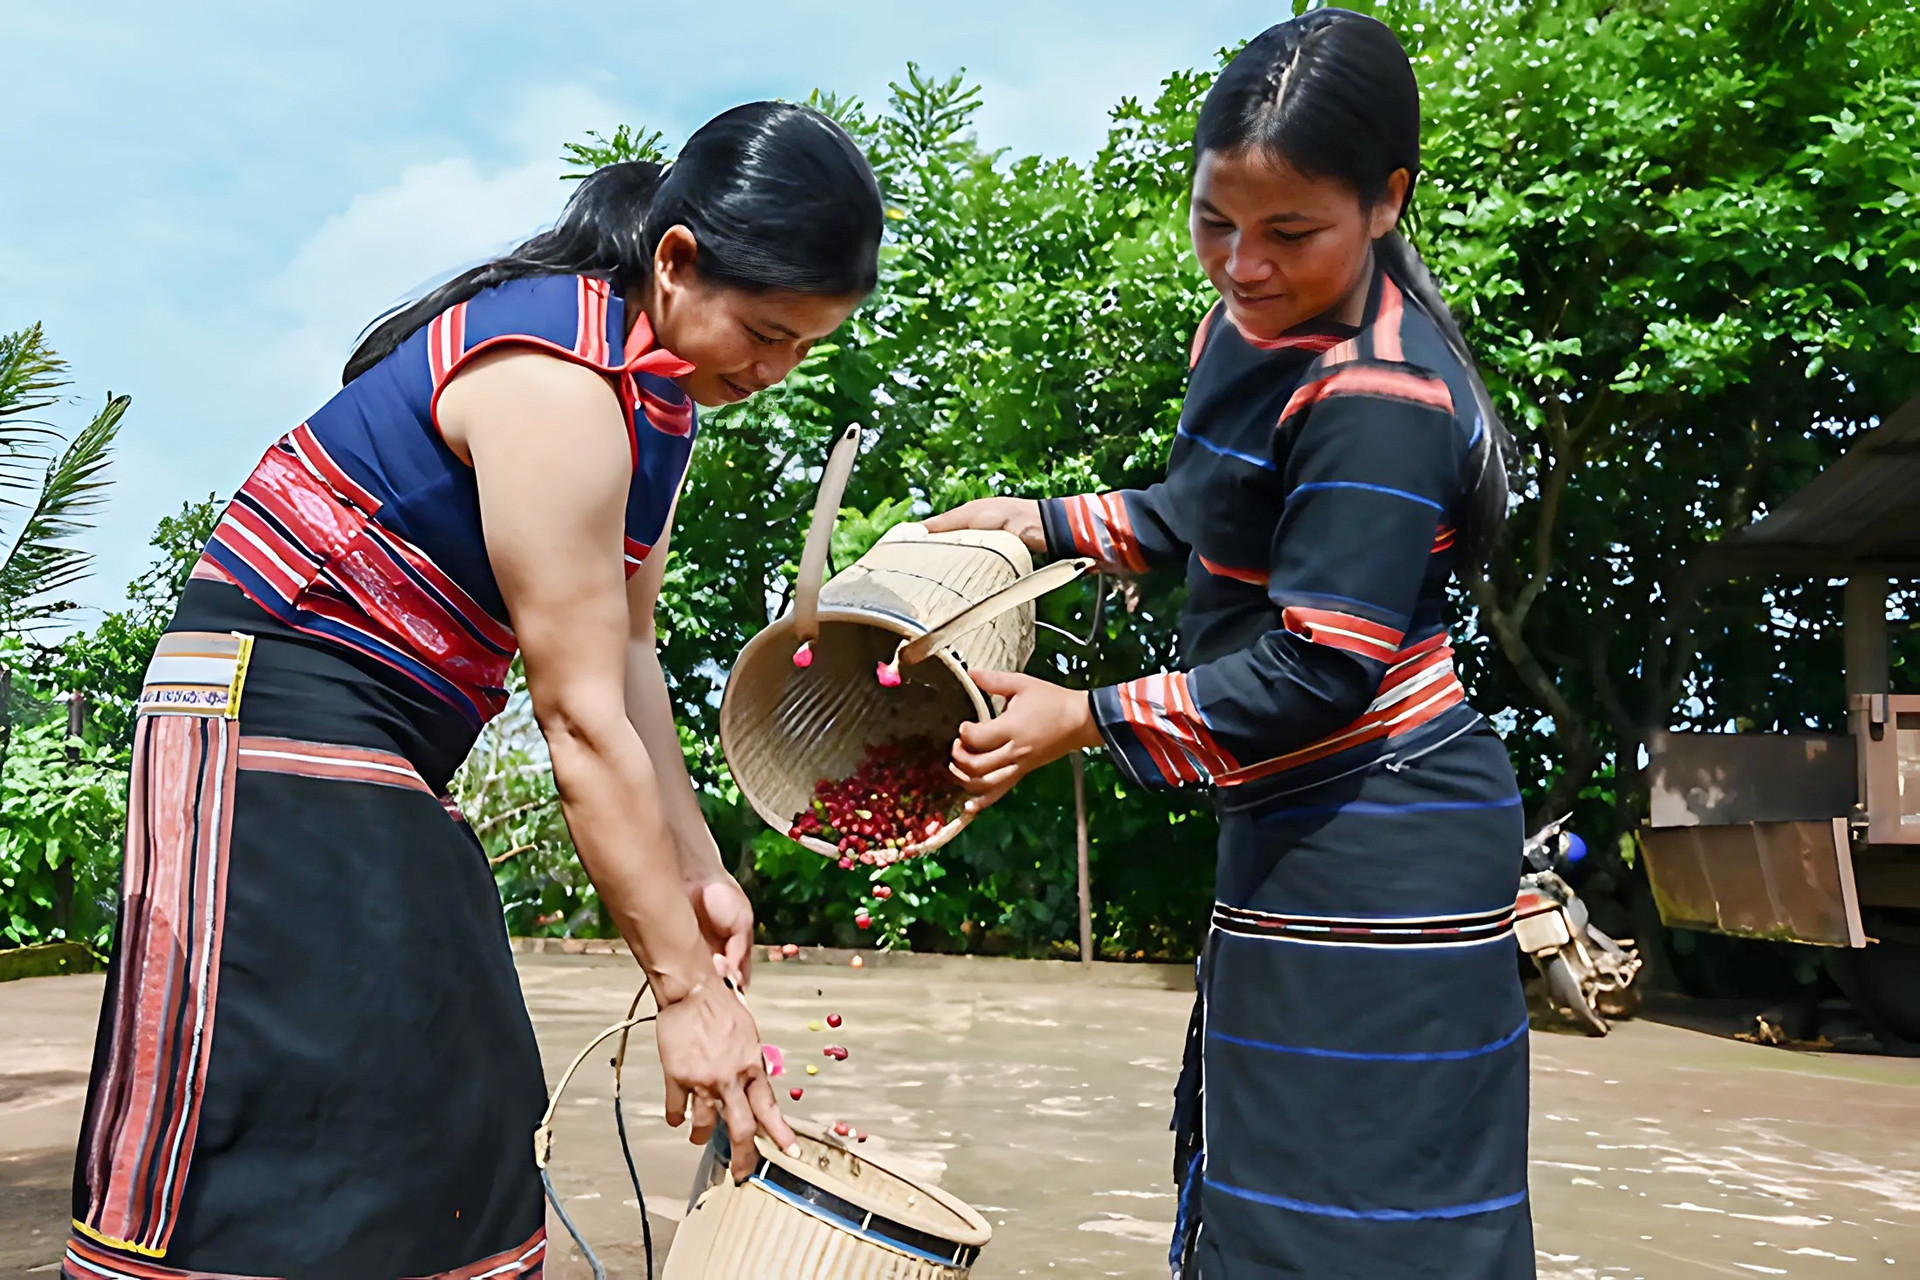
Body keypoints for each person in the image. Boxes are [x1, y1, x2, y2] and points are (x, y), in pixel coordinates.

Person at [65, 102, 883, 1280]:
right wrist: (685, 991)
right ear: (676, 259)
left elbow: (632, 657)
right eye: (762, 331)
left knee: (460, 1080)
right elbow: (577, 717)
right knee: (279, 1084)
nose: (768, 371)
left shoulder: (658, 402)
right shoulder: (557, 380)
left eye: (803, 347)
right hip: (267, 712)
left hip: (385, 740)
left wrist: (701, 865)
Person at [925, 12, 1533, 1278]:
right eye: (1216, 220)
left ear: (1385, 202)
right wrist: (1045, 522)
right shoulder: (1245, 330)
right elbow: (1207, 512)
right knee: (1260, 1178)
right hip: (1296, 817)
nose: (1242, 265)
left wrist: (1081, 718)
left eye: (1289, 232)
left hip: (1384, 838)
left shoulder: (1382, 392)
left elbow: (1320, 662)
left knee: (1362, 1217)